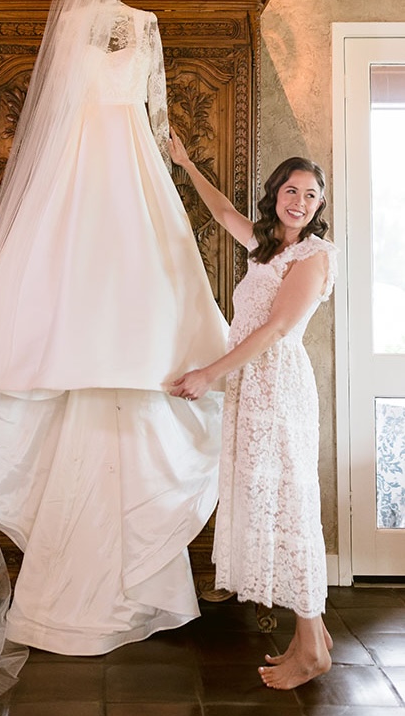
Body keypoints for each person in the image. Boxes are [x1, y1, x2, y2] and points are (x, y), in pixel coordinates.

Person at [0, 0, 228, 712]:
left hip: (136, 173)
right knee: (81, 323)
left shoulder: (144, 26)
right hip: (88, 175)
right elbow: (58, 117)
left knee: (136, 338)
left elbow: (158, 116)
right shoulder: (82, 34)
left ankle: (134, 587)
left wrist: (177, 161)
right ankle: (89, 594)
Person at [168, 131, 337, 691]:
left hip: (278, 390)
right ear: (277, 196)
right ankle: (310, 635)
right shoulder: (269, 249)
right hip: (253, 391)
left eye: (311, 195)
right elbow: (220, 211)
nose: (300, 201)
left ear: (318, 207)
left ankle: (312, 646)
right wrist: (186, 162)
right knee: (274, 504)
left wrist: (209, 373)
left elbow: (278, 328)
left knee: (288, 507)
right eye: (292, 190)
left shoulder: (314, 256)